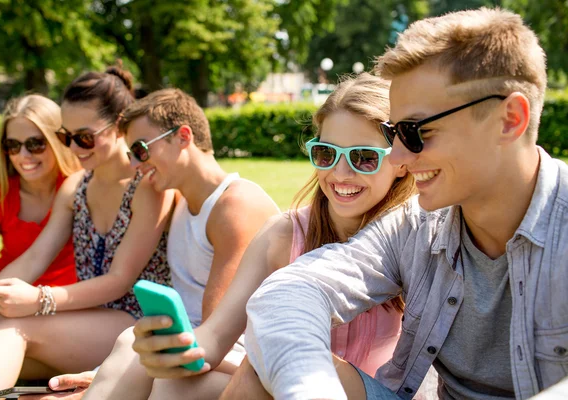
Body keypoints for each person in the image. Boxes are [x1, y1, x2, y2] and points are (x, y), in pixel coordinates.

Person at [240, 7, 568, 400]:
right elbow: (289, 294)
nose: (395, 158)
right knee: (265, 364)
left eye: (415, 131)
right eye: (393, 132)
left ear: (509, 119)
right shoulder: (416, 226)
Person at [126, 73, 416, 400]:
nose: (340, 173)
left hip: (380, 393)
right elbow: (213, 339)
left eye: (364, 157)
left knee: (264, 358)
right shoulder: (282, 234)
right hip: (290, 386)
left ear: (401, 161)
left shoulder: (417, 235)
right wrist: (173, 348)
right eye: (325, 154)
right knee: (170, 381)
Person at [30, 88, 279, 400]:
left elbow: (216, 339)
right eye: (131, 154)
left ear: (183, 137)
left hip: (251, 370)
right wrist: (106, 372)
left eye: (141, 150)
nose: (135, 164)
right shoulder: (179, 204)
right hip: (189, 355)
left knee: (166, 382)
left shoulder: (235, 205)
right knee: (126, 345)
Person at [0, 65, 174, 400]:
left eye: (85, 137)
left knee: (10, 326)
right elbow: (35, 257)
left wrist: (38, 300)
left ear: (120, 124)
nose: (75, 148)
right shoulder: (77, 185)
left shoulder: (147, 187)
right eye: (67, 137)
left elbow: (120, 281)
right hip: (89, 319)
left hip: (137, 323)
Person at [0, 94, 81, 352]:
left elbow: (36, 258)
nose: (24, 155)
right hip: (3, 295)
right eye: (13, 145)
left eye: (35, 144)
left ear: (57, 141)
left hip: (61, 302)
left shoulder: (78, 188)